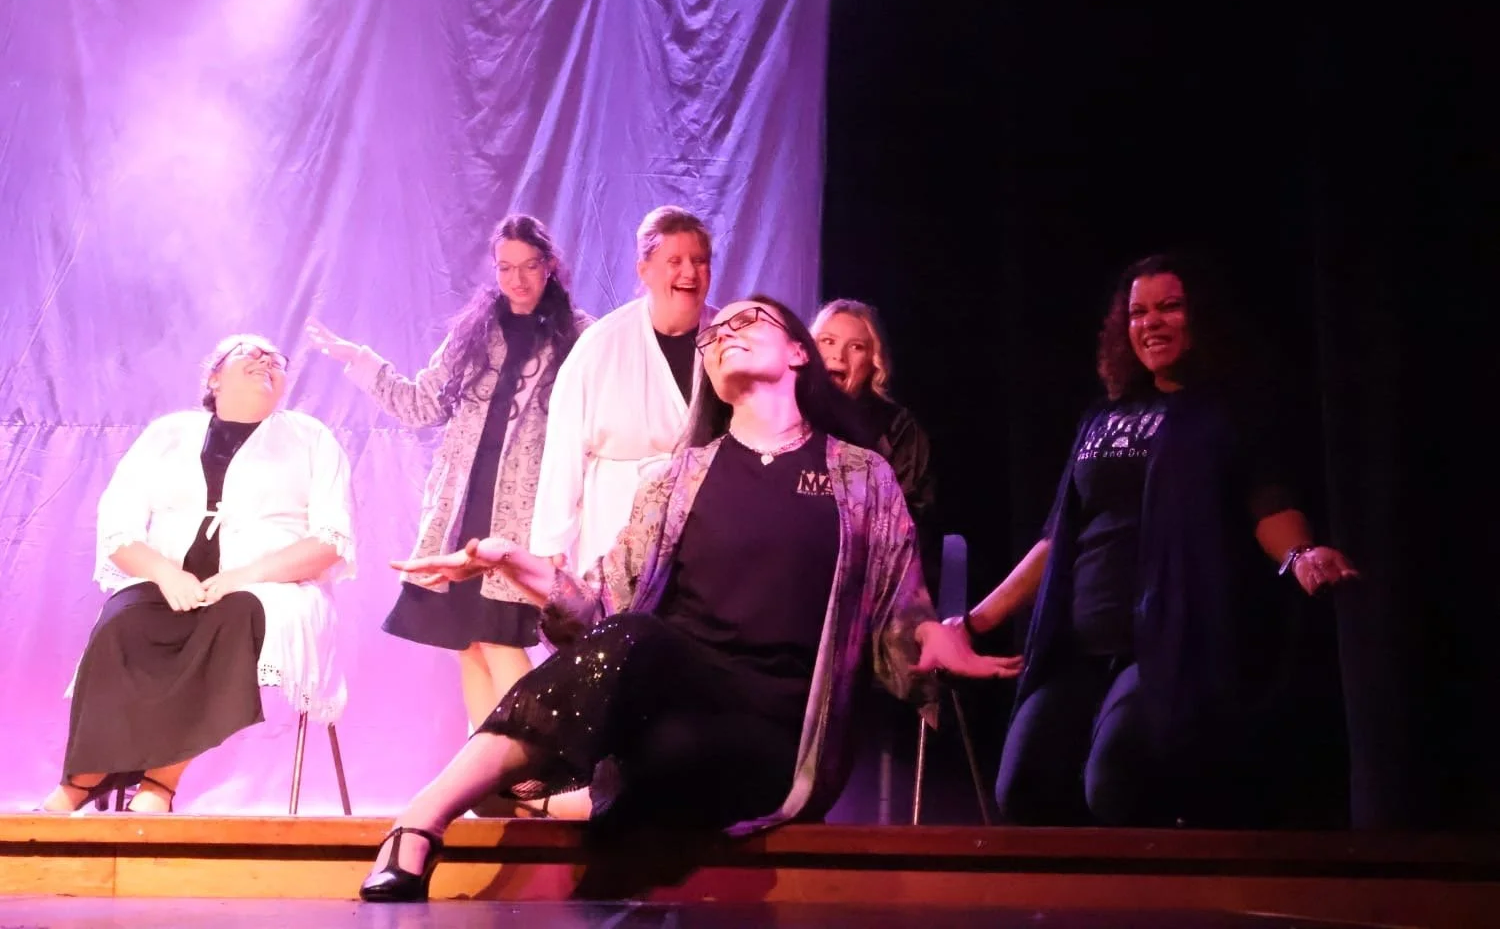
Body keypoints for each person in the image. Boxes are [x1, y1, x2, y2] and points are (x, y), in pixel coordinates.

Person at [358, 295, 1020, 902]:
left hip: (780, 730)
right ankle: (421, 821)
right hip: (674, 696)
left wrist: (932, 637)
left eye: (750, 319)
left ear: (798, 352)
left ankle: (584, 812)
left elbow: (900, 608)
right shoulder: (677, 480)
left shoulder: (859, 476)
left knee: (663, 762)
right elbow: (598, 612)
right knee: (646, 681)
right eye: (718, 329)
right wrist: (515, 564)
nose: (728, 330)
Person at [964, 253, 1358, 828]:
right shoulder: (1101, 417)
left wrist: (1301, 556)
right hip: (1080, 644)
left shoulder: (1228, 414)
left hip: (1168, 645)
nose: (1152, 322)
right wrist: (972, 624)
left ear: (1200, 317)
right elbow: (1057, 540)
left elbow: (1268, 504)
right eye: (1138, 312)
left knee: (1116, 780)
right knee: (1022, 785)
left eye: (1169, 307)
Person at [40, 335, 355, 814]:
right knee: (122, 620)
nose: (266, 359)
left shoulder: (311, 439)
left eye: (275, 358)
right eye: (250, 352)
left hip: (271, 589)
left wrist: (243, 576)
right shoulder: (168, 434)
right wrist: (165, 574)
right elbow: (119, 527)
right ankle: (85, 778)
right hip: (171, 582)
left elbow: (331, 541)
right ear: (213, 377)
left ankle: (159, 784)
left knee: (234, 616)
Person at [307, 215, 590, 732]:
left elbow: (590, 433)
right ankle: (489, 783)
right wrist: (361, 361)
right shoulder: (476, 332)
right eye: (506, 268)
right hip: (462, 509)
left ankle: (538, 763)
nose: (518, 280)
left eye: (529, 266)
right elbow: (420, 405)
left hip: (525, 515)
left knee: (501, 639)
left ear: (550, 267)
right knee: (471, 644)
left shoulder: (580, 338)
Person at [528, 205, 719, 572]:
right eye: (674, 260)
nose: (689, 273)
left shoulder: (731, 338)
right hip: (618, 524)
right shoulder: (601, 344)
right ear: (643, 270)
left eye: (699, 260)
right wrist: (552, 544)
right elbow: (564, 448)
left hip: (707, 522)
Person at [811, 298, 939, 594]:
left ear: (874, 363)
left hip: (872, 583)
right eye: (827, 341)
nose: (838, 356)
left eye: (856, 347)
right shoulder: (788, 415)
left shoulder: (899, 429)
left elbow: (912, 522)